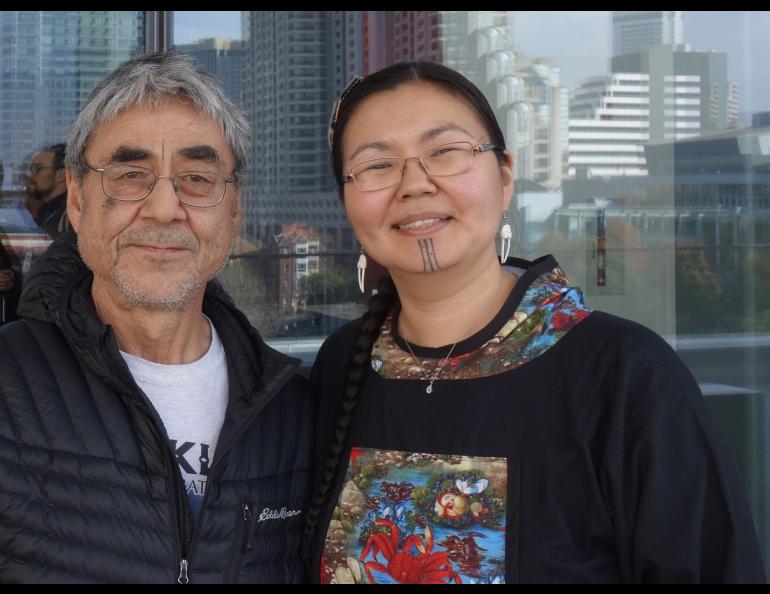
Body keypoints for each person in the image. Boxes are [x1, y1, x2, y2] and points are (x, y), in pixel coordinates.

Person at [303, 61, 766, 584]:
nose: (414, 183)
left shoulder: (625, 374)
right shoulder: (343, 363)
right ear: (347, 202)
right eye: (376, 166)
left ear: (504, 177)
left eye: (445, 151)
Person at [0, 52, 314, 583]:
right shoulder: (10, 385)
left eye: (196, 177)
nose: (165, 208)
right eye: (130, 175)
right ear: (77, 201)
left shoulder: (295, 409)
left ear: (234, 210)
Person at [24, 142, 71, 238]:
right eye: (31, 168)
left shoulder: (70, 217)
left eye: (38, 168)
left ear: (61, 175)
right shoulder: (42, 211)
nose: (30, 174)